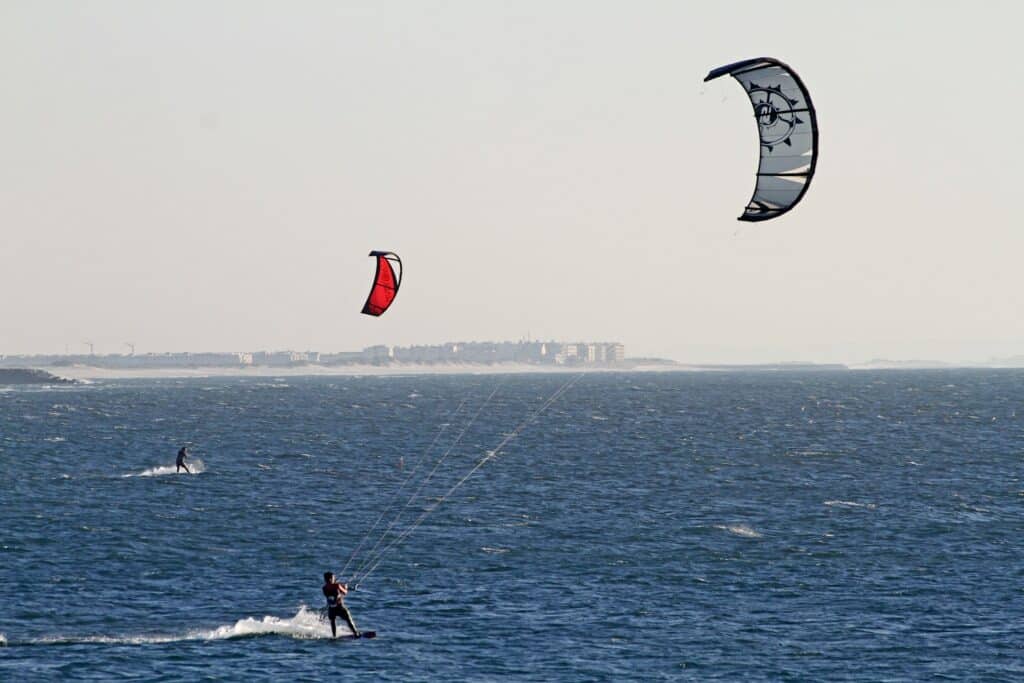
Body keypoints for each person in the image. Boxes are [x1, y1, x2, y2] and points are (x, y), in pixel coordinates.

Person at [322, 572, 360, 638]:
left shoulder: (324, 588)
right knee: (348, 619)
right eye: (333, 577)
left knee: (332, 622)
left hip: (331, 608)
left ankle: (334, 636)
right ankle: (355, 633)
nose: (335, 578)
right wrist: (345, 587)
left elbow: (332, 592)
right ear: (330, 579)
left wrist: (339, 586)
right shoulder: (337, 585)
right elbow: (345, 592)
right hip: (340, 607)